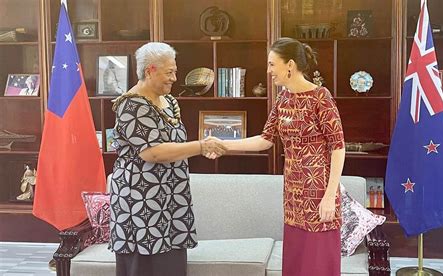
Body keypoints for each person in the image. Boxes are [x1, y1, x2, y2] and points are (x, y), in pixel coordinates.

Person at [222, 37, 345, 275]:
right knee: (296, 264)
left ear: (289, 64)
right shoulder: (283, 99)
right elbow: (265, 140)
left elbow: (338, 147)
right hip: (293, 196)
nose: (268, 71)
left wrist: (330, 196)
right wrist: (225, 145)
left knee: (317, 265)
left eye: (271, 64)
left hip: (319, 194)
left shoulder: (321, 97)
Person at [109, 42, 227, 276]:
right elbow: (153, 152)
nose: (174, 78)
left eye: (175, 71)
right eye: (169, 72)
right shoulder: (130, 105)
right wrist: (201, 146)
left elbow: (176, 144)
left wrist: (201, 147)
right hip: (140, 204)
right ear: (150, 70)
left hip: (172, 202)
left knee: (171, 267)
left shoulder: (170, 102)